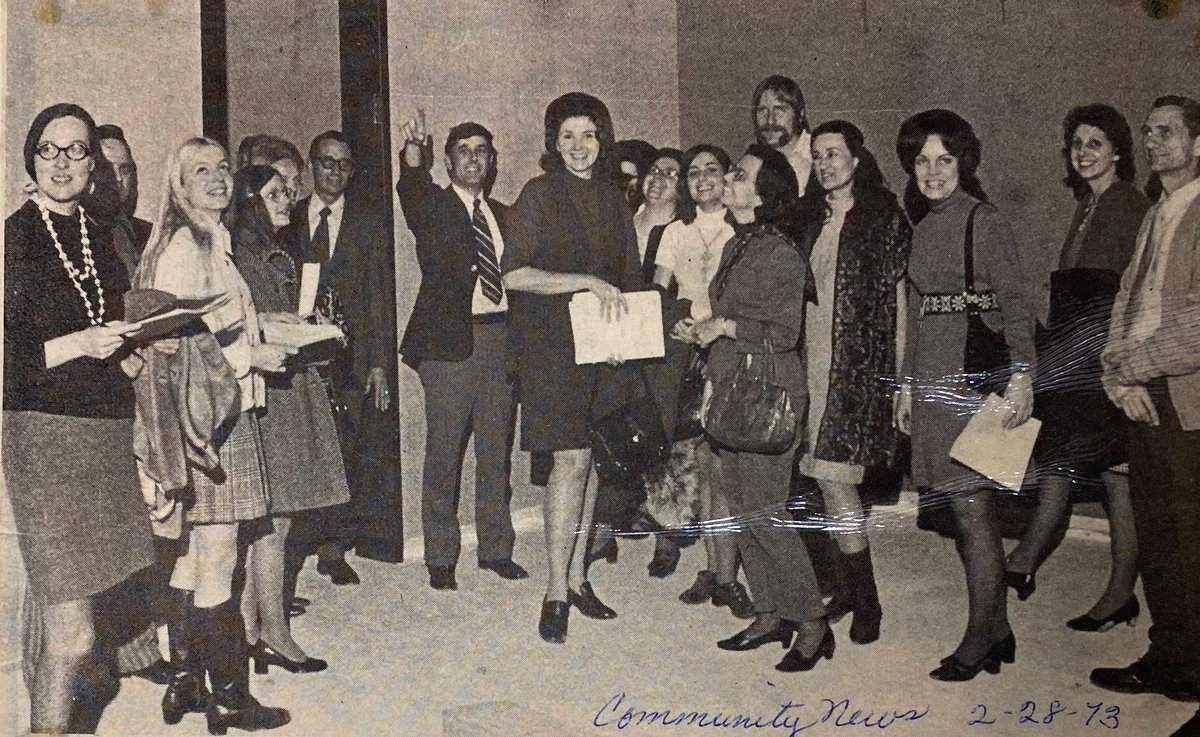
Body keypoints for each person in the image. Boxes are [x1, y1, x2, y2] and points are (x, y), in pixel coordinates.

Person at [4, 103, 156, 734]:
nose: (62, 163)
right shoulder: (14, 238)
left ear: (95, 165)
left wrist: (131, 354)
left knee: (71, 614)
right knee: (72, 632)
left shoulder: (98, 235)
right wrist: (78, 345)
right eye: (48, 150)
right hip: (44, 436)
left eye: (76, 150)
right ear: (31, 161)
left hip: (103, 434)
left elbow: (108, 327)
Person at [134, 136, 291, 732]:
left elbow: (216, 323)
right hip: (212, 421)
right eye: (201, 171)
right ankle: (229, 698)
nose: (218, 178)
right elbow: (186, 349)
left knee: (193, 558)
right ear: (179, 184)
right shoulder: (185, 246)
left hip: (212, 415)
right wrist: (257, 356)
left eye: (223, 168)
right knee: (219, 558)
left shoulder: (213, 242)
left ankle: (184, 681)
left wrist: (260, 333)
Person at [893, 109, 1037, 681]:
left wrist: (1023, 377)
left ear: (963, 162)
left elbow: (1018, 307)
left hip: (976, 384)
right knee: (959, 510)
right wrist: (905, 385)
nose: (931, 172)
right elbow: (917, 314)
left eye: (944, 160)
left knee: (974, 513)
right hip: (930, 383)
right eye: (922, 161)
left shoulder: (986, 221)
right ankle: (998, 627)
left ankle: (981, 635)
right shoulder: (922, 227)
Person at [502, 92, 643, 643]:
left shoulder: (615, 199)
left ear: (602, 140)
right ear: (552, 144)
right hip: (551, 350)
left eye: (588, 135)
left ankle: (579, 577)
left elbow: (629, 282)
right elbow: (514, 275)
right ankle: (556, 588)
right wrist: (584, 279)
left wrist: (623, 339)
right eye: (567, 137)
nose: (579, 147)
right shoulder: (537, 195)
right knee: (569, 463)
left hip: (603, 351)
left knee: (593, 466)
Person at [1008, 104, 1149, 627]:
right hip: (1076, 353)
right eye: (1076, 145)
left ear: (1118, 151)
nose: (1084, 153)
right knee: (1071, 462)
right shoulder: (1088, 205)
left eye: (1095, 143)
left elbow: (1132, 295)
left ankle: (1116, 591)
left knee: (1116, 474)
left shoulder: (1131, 206)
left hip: (1106, 356)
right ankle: (1024, 562)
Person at [695, 143, 831, 673]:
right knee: (742, 508)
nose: (728, 179)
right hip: (733, 386)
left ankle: (811, 622)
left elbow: (785, 332)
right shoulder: (740, 244)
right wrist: (706, 331)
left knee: (767, 513)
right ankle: (771, 611)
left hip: (769, 391)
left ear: (764, 192)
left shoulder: (779, 250)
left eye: (738, 174)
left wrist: (726, 327)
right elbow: (730, 313)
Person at [1092, 95, 1200, 706]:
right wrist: (1119, 377)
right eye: (1148, 132)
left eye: (1168, 132)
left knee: (1189, 538)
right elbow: (1125, 309)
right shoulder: (1155, 213)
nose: (1154, 142)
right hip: (1144, 392)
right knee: (1158, 536)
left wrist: (1133, 365)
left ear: (1199, 145)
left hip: (1188, 399)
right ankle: (1171, 657)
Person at [396, 111, 528, 590]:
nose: (473, 159)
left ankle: (495, 550)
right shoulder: (432, 206)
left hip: (500, 342)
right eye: (463, 151)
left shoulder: (508, 215)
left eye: (481, 151)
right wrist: (413, 158)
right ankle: (440, 557)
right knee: (444, 453)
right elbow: (410, 188)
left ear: (492, 162)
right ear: (448, 161)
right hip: (449, 345)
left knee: (496, 454)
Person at [793, 120, 912, 645]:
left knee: (836, 480)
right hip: (808, 364)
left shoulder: (885, 219)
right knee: (819, 482)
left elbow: (901, 305)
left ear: (857, 159)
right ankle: (844, 589)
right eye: (818, 155)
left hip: (856, 372)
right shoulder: (808, 220)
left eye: (835, 153)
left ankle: (868, 603)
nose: (826, 163)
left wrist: (903, 382)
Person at [228, 164, 350, 673]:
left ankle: (257, 627)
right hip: (268, 394)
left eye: (288, 193)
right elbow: (245, 325)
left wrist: (316, 326)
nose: (286, 200)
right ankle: (268, 631)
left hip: (291, 386)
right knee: (270, 521)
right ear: (251, 199)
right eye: (275, 193)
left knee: (276, 519)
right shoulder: (241, 255)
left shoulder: (277, 251)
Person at [283, 130, 396, 584]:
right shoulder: (286, 217)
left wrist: (378, 364)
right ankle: (292, 548)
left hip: (348, 358)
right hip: (294, 356)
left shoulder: (368, 223)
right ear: (312, 166)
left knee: (345, 450)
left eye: (344, 164)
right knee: (298, 448)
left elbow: (378, 299)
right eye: (326, 162)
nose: (335, 171)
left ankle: (334, 548)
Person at [651, 144, 750, 613]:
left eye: (713, 169)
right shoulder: (676, 230)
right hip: (688, 352)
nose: (704, 178)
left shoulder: (742, 228)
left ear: (727, 176)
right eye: (694, 172)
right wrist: (674, 319)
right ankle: (712, 568)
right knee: (690, 462)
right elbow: (657, 287)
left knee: (723, 468)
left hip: (731, 351)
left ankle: (724, 573)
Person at [752, 75, 812, 195]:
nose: (770, 120)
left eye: (779, 110)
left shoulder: (817, 156)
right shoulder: (753, 163)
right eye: (762, 110)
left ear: (800, 114)